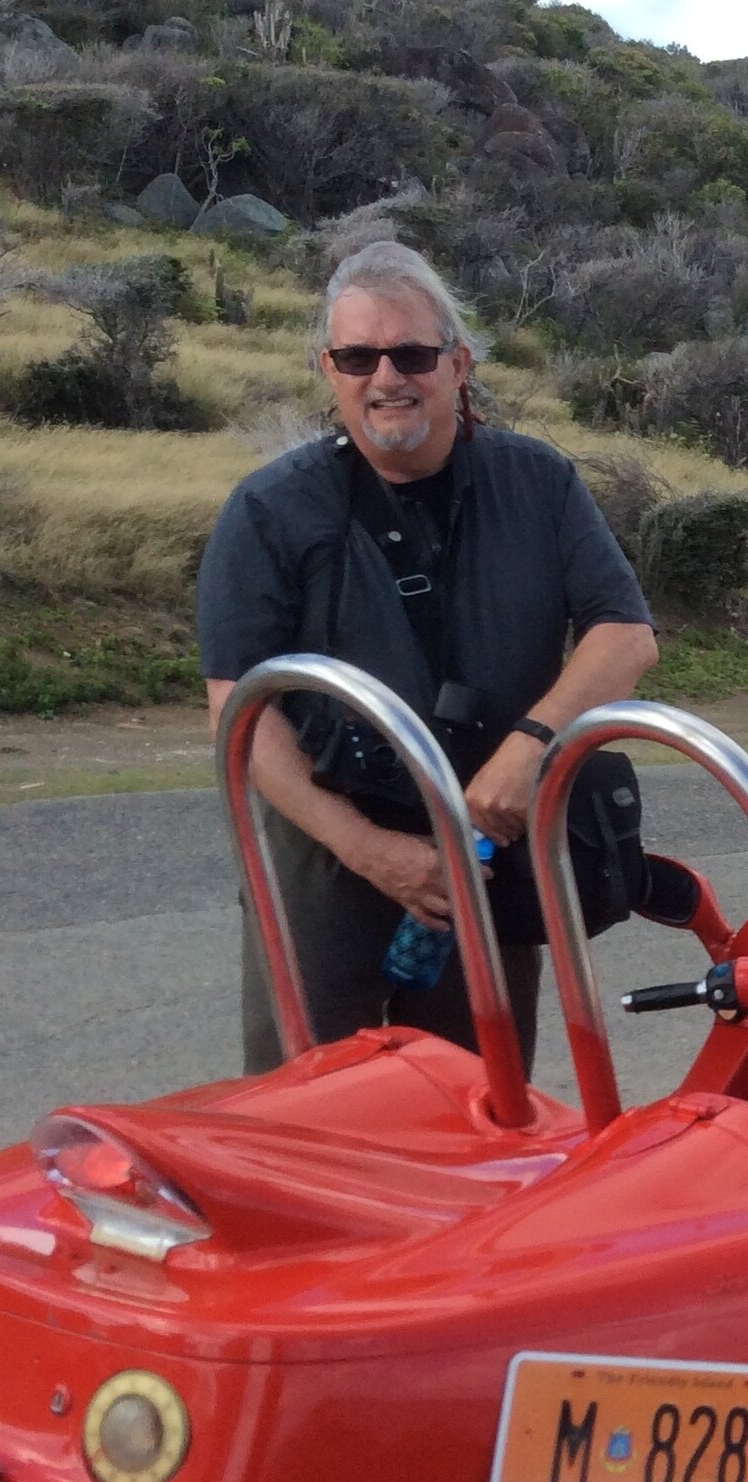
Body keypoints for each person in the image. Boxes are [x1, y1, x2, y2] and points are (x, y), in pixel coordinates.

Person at [197, 240, 659, 1073]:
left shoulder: (540, 481)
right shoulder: (267, 510)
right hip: (328, 843)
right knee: (306, 1104)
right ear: (328, 368)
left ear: (458, 364)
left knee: (481, 1100)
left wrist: (531, 745)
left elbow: (625, 634)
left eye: (411, 353)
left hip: (488, 836)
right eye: (357, 356)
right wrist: (366, 848)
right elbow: (240, 710)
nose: (386, 377)